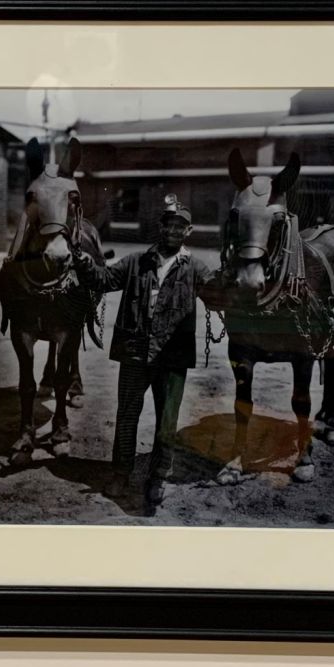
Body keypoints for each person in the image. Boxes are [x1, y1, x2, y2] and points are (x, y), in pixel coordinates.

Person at [71, 194, 213, 505]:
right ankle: (121, 474)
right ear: (160, 227)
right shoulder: (136, 261)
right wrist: (83, 261)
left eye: (180, 227)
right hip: (134, 353)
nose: (173, 231)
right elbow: (103, 279)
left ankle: (158, 477)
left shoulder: (195, 268)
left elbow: (218, 295)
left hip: (172, 358)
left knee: (167, 422)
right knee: (126, 418)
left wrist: (233, 278)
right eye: (169, 225)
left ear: (188, 232)